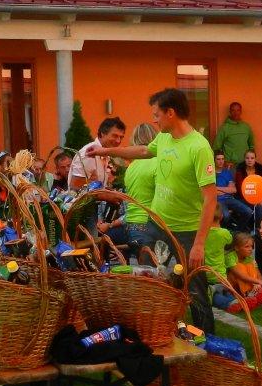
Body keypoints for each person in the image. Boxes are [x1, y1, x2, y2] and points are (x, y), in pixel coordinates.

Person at [91, 89, 216, 333]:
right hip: (156, 226)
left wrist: (199, 244)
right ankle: (155, 333)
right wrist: (105, 151)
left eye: (157, 114)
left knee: (195, 288)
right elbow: (142, 151)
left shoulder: (199, 148)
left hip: (187, 232)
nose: (154, 120)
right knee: (152, 282)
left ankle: (207, 341)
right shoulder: (164, 138)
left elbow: (210, 199)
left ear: (171, 113)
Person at [121, 123, 159, 259]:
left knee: (145, 269)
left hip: (131, 226)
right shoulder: (158, 162)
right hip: (150, 226)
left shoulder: (131, 167)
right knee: (156, 270)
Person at [71, 116, 126, 189]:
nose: (118, 141)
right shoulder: (89, 153)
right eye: (115, 136)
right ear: (103, 133)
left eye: (121, 137)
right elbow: (75, 185)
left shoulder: (106, 153)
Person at [224, 232, 262, 311]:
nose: (250, 249)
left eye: (251, 246)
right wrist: (259, 282)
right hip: (233, 288)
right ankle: (248, 297)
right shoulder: (230, 257)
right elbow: (241, 276)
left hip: (250, 286)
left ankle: (252, 299)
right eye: (247, 246)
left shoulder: (249, 258)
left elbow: (259, 275)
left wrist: (258, 284)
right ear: (237, 248)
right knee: (240, 267)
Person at [213, 151, 254, 229]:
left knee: (248, 211)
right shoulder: (211, 174)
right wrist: (226, 190)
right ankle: (225, 231)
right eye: (218, 159)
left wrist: (217, 188)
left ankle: (237, 230)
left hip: (229, 199)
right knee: (226, 216)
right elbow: (212, 191)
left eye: (222, 159)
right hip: (218, 200)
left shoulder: (227, 173)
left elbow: (233, 190)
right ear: (214, 160)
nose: (221, 161)